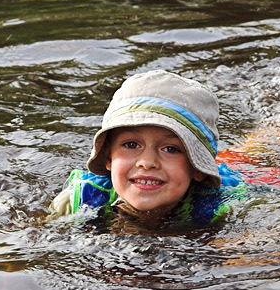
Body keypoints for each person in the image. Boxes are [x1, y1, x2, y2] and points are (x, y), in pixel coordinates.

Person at [49, 70, 255, 227]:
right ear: (108, 157)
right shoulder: (80, 200)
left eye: (171, 149)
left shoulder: (226, 204)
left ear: (197, 167)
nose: (147, 162)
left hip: (248, 173)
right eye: (131, 145)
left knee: (250, 152)